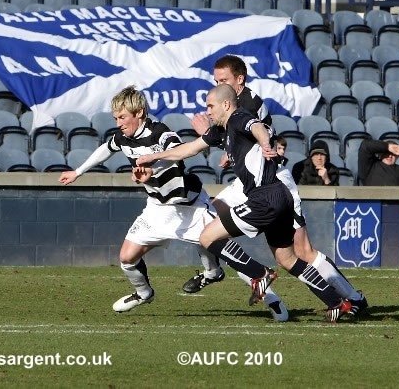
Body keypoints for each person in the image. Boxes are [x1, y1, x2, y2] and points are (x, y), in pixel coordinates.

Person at [58, 86, 288, 321]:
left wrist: (152, 168)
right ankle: (144, 293)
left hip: (189, 205)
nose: (118, 123)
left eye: (122, 117)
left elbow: (177, 154)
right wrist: (78, 171)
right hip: (157, 208)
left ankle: (272, 300)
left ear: (139, 112)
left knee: (227, 251)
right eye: (115, 118)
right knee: (126, 257)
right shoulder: (122, 138)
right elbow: (106, 149)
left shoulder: (160, 132)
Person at [138, 84, 352, 322]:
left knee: (207, 237)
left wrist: (265, 144)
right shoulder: (221, 130)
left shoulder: (239, 117)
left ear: (226, 104)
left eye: (210, 106)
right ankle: (336, 302)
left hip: (265, 197)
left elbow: (257, 127)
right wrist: (153, 157)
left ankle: (260, 274)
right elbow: (188, 149)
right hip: (279, 196)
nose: (207, 111)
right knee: (288, 259)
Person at [188, 54, 367, 317]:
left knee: (300, 251)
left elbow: (247, 131)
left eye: (223, 80)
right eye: (215, 81)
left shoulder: (246, 104)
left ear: (239, 79)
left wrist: (209, 134)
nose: (218, 85)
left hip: (274, 178)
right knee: (209, 220)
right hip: (249, 180)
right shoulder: (232, 103)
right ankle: (218, 272)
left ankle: (352, 298)